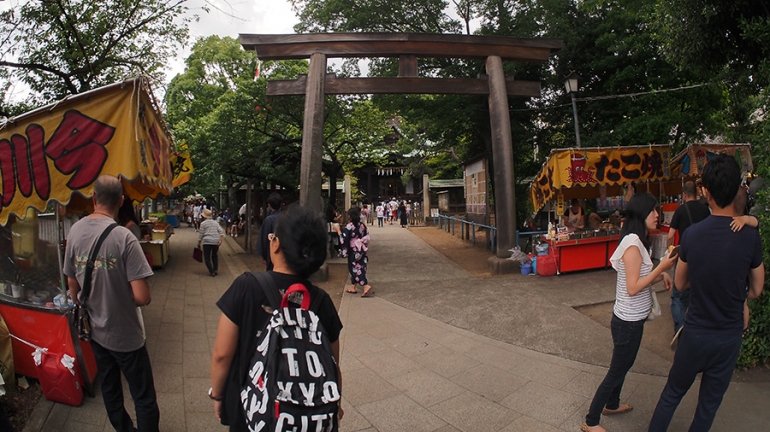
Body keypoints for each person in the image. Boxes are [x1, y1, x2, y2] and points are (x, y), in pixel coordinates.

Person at [648, 155, 764, 432]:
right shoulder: (750, 236)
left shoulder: (693, 235)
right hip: (729, 336)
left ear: (706, 193)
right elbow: (757, 289)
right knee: (708, 406)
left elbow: (681, 283)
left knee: (672, 394)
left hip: (696, 332)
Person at [209, 204, 344, 432]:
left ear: (276, 244)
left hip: (253, 412)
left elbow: (222, 355)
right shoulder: (322, 301)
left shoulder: (246, 287)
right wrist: (334, 403)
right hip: (304, 418)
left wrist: (218, 394)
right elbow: (332, 363)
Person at [63, 175, 158, 432]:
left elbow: (72, 282)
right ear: (121, 200)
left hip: (95, 330)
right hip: (126, 334)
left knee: (110, 388)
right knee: (143, 396)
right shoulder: (125, 237)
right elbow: (142, 297)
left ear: (93, 198)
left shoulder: (75, 231)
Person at [582, 193, 676, 432]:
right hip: (628, 322)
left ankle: (612, 404)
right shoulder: (633, 243)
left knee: (623, 366)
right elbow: (633, 287)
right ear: (641, 214)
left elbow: (638, 276)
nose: (657, 215)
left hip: (630, 319)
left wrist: (660, 272)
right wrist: (662, 268)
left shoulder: (636, 239)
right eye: (653, 211)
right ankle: (591, 421)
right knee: (617, 370)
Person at [666, 181, 711, 335]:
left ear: (684, 195)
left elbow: (671, 235)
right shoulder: (705, 210)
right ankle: (696, 324)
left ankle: (680, 327)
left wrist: (669, 249)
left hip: (684, 255)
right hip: (703, 256)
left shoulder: (680, 210)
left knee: (678, 293)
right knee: (696, 290)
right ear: (697, 193)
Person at [334, 206, 373, 297]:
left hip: (354, 250)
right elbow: (366, 236)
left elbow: (344, 240)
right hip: (361, 249)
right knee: (360, 266)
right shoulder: (362, 225)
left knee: (355, 269)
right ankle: (353, 286)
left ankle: (365, 285)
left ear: (350, 216)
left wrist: (338, 231)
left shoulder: (349, 226)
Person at [256, 192, 282, 271]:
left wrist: (264, 256)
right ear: (281, 204)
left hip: (272, 254)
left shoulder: (269, 220)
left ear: (269, 205)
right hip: (286, 253)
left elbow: (264, 239)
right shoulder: (287, 218)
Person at [198, 208, 224, 277]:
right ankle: (215, 269)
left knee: (207, 257)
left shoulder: (203, 224)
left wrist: (199, 242)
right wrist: (220, 240)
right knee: (214, 256)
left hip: (206, 242)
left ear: (204, 216)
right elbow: (221, 232)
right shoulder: (215, 223)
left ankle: (211, 270)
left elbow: (201, 234)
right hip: (215, 241)